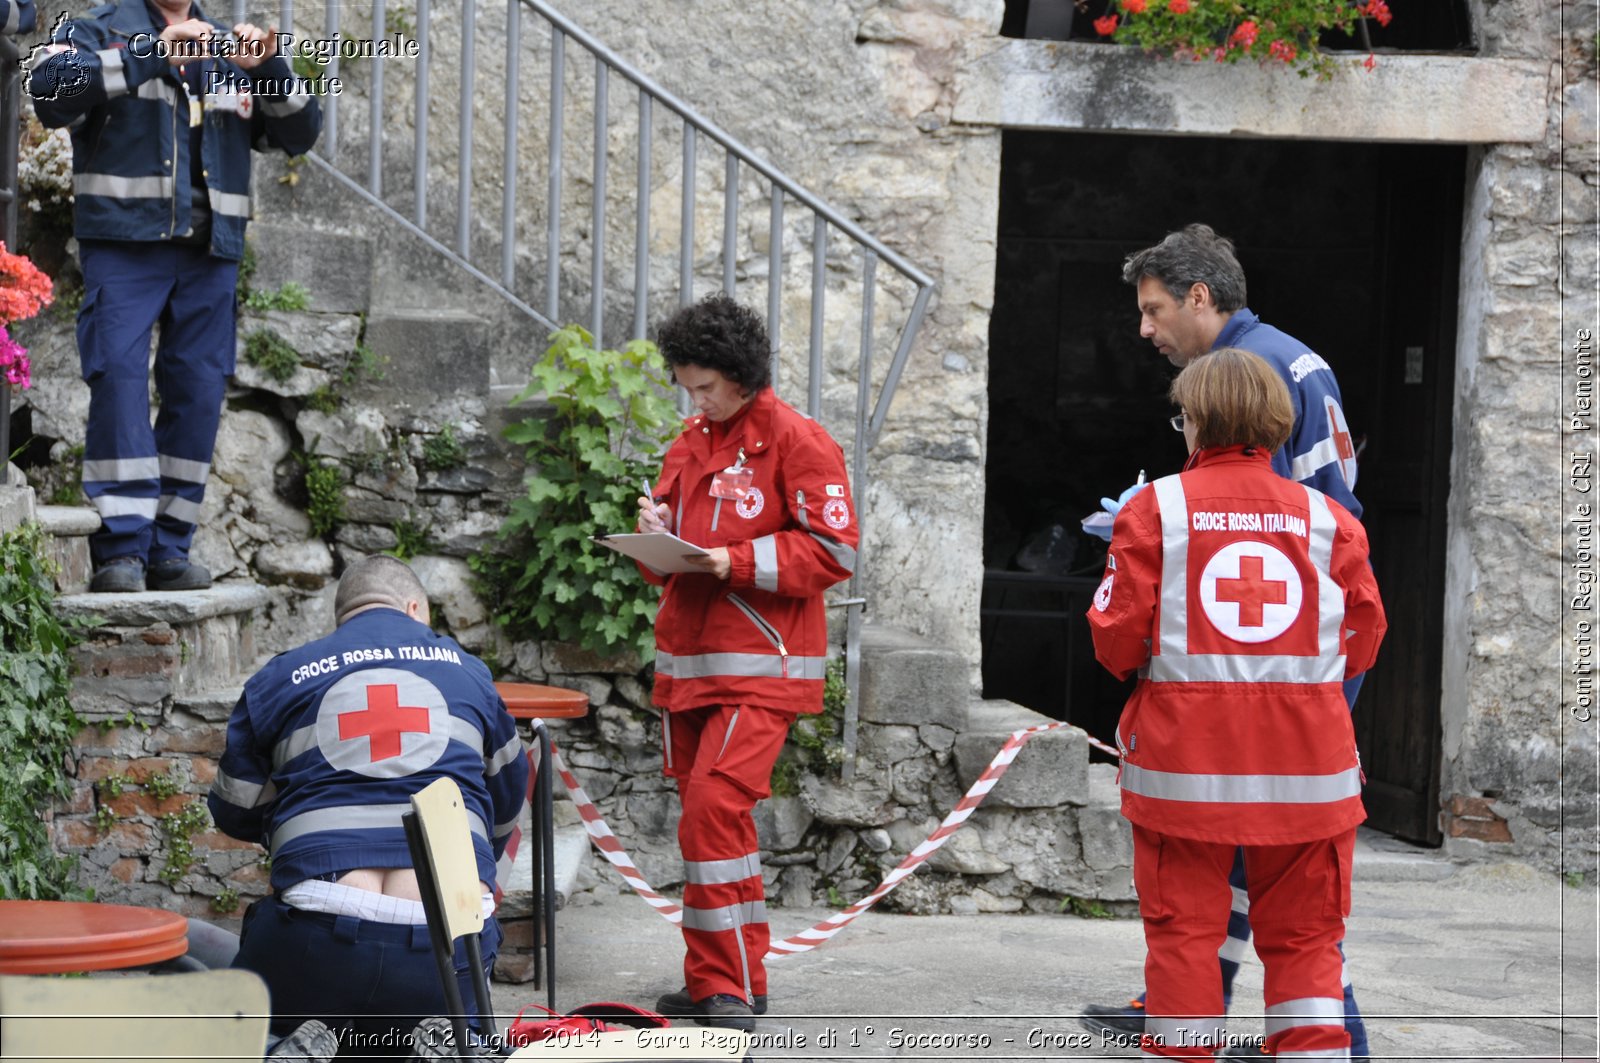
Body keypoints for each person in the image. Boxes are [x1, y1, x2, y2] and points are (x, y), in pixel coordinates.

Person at [1081, 223, 1374, 1060]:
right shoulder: (1323, 510)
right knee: (1306, 933)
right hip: (1307, 742)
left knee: (1189, 924)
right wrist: (1310, 689)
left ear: (1195, 420)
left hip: (1192, 751)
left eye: (1154, 309)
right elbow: (1362, 626)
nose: (1146, 329)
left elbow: (1115, 637)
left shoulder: (1162, 506)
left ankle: (1201, 1032)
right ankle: (1326, 1047)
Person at [28, 0, 322, 593]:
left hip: (212, 250)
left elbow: (300, 133)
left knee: (199, 389)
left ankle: (169, 547)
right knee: (119, 379)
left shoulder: (226, 44)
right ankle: (121, 549)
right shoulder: (93, 29)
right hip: (123, 243)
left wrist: (268, 69)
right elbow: (51, 94)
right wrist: (154, 52)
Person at [634, 293, 858, 1032]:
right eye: (687, 386)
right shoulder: (692, 440)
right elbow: (667, 561)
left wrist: (726, 558)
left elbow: (834, 552)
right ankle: (731, 973)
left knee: (712, 812)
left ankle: (723, 985)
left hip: (763, 668)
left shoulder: (799, 439)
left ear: (740, 374)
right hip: (691, 665)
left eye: (704, 386)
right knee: (713, 827)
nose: (693, 400)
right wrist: (654, 532)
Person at [207, 555, 528, 1057]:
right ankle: (441, 1040)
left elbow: (234, 808)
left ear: (343, 618)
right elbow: (507, 808)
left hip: (318, 939)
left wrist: (291, 817)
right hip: (448, 949)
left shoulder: (282, 676)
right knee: (438, 1008)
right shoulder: (471, 674)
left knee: (249, 1010)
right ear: (416, 608)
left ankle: (278, 1046)